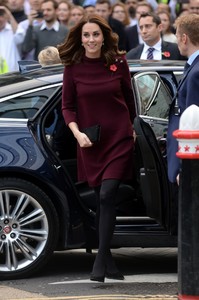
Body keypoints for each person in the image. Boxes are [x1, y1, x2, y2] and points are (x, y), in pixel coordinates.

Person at [58, 14, 136, 282]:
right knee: (102, 202)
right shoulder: (73, 67)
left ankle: (99, 263)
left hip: (119, 138)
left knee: (107, 195)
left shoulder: (119, 62)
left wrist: (133, 128)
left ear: (104, 37)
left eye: (95, 35)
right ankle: (110, 263)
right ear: (80, 39)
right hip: (89, 142)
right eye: (86, 35)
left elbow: (129, 97)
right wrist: (77, 134)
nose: (91, 39)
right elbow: (67, 106)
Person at [167, 14, 199, 185]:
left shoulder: (196, 73)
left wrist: (184, 169)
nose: (177, 42)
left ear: (184, 38)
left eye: (177, 37)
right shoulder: (193, 68)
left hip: (189, 162)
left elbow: (193, 125)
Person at [0, 6, 22, 71]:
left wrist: (9, 14)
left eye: (1, 15)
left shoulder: (12, 29)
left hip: (13, 75)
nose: (0, 19)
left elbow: (20, 38)